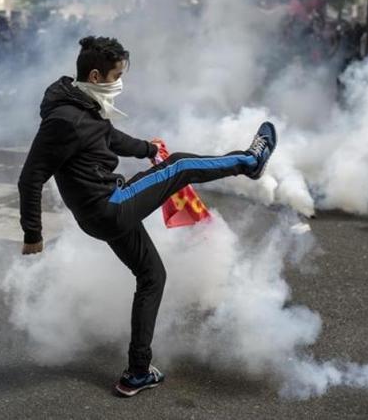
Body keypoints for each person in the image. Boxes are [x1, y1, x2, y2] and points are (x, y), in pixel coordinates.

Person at [17, 36, 277, 397]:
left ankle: (137, 372)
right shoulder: (64, 120)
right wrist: (33, 233)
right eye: (116, 75)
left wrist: (149, 149)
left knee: (152, 275)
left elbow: (110, 138)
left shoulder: (84, 103)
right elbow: (30, 177)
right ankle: (250, 162)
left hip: (104, 211)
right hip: (110, 205)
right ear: (95, 74)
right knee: (183, 165)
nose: (120, 82)